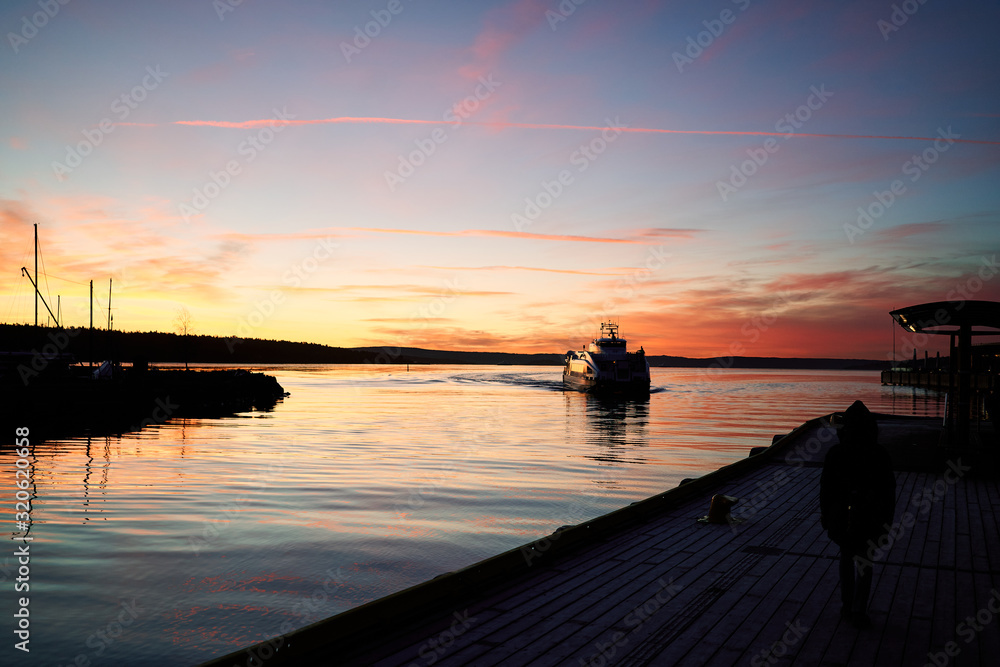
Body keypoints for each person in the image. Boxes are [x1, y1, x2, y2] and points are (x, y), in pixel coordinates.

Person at [820, 400, 896, 627]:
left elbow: (826, 490)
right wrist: (887, 522)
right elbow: (888, 492)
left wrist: (827, 516)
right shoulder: (879, 454)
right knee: (865, 562)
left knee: (846, 559)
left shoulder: (836, 453)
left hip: (845, 517)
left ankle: (848, 605)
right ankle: (858, 609)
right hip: (869, 518)